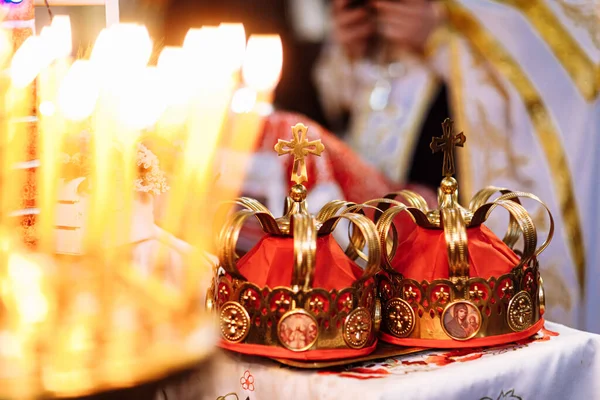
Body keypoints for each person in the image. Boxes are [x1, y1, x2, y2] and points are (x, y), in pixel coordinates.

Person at [314, 0, 599, 333]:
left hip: (469, 183)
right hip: (395, 204)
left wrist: (443, 40)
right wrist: (353, 48)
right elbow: (340, 95)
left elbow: (564, 59)